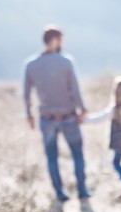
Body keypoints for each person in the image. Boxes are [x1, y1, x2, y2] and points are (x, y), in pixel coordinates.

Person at [23, 25, 91, 202]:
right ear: (54, 40)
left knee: (51, 157)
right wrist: (82, 109)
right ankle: (82, 189)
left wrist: (29, 115)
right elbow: (75, 90)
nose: (62, 43)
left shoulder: (31, 64)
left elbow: (26, 93)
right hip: (68, 116)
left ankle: (60, 193)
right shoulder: (66, 61)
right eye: (61, 39)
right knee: (77, 154)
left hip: (46, 118)